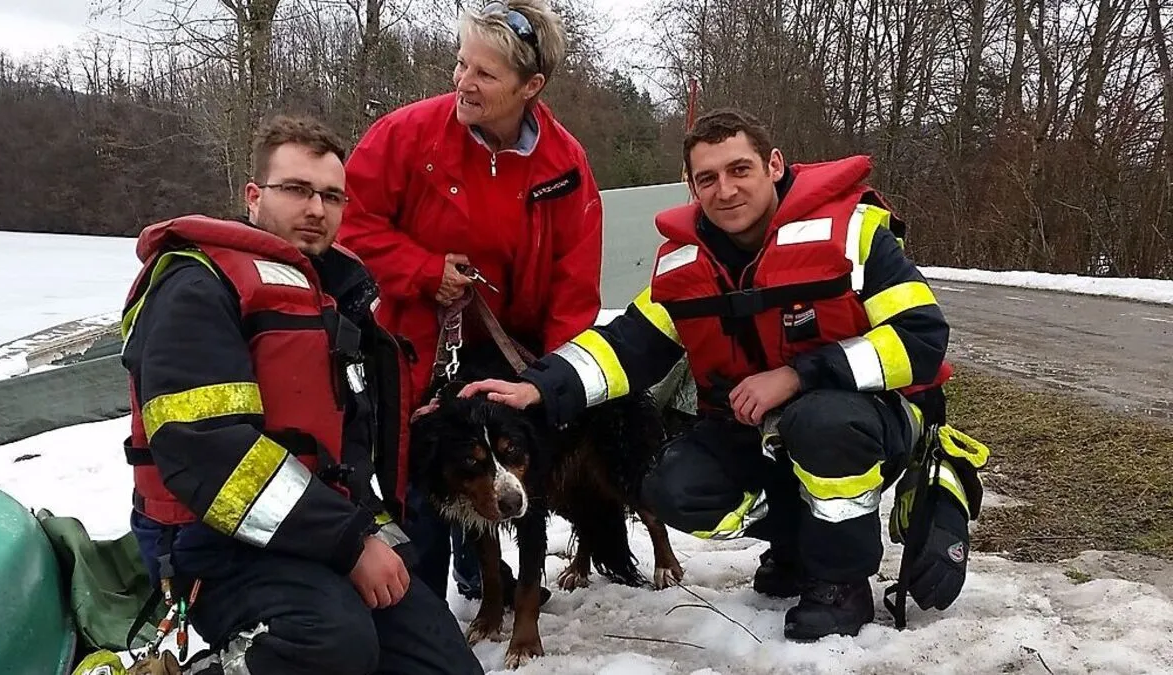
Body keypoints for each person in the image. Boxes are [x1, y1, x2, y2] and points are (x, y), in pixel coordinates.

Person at [462, 108, 983, 641]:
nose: (726, 190)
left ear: (774, 165)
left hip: (870, 421)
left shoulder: (854, 234)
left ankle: (840, 584)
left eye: (740, 170)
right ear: (691, 186)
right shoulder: (685, 266)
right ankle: (796, 543)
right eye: (707, 178)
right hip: (757, 433)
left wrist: (800, 375)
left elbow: (920, 337)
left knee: (822, 422)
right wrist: (540, 386)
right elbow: (624, 348)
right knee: (671, 486)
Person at [121, 114, 484, 674]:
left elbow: (346, 456)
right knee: (331, 640)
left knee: (444, 665)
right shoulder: (196, 287)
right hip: (213, 543)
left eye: (332, 196)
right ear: (253, 196)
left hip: (318, 530)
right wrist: (351, 545)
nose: (316, 209)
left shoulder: (335, 299)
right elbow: (207, 454)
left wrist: (383, 540)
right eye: (295, 190)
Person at [337, 0, 603, 604]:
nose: (463, 83)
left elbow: (575, 285)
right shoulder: (406, 135)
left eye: (483, 74)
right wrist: (423, 270)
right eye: (461, 65)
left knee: (499, 463)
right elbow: (349, 225)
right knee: (419, 475)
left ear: (529, 87)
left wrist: (550, 379)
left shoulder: (567, 166)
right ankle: (421, 608)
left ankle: (480, 570)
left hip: (517, 356)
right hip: (419, 345)